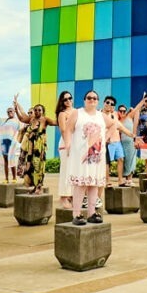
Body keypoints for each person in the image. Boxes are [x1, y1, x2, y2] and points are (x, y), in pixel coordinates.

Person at [67, 91, 107, 224]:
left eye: (95, 98)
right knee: (81, 183)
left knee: (93, 183)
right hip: (81, 155)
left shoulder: (101, 116)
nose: (92, 100)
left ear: (98, 101)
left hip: (97, 155)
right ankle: (76, 214)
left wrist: (106, 138)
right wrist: (68, 144)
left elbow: (114, 124)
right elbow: (68, 129)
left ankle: (92, 213)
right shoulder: (77, 113)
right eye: (89, 97)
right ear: (84, 99)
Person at [14, 100, 56, 194]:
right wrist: (16, 109)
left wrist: (64, 116)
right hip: (30, 149)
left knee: (39, 166)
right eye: (36, 110)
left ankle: (39, 186)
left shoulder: (45, 119)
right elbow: (21, 118)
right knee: (30, 166)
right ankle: (34, 185)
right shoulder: (31, 119)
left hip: (39, 148)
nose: (37, 112)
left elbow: (55, 122)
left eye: (39, 110)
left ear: (43, 111)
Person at [103, 95, 135, 187]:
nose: (109, 105)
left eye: (112, 104)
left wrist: (133, 136)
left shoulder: (115, 115)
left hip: (117, 141)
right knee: (107, 162)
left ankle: (120, 180)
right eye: (107, 102)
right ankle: (107, 181)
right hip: (106, 142)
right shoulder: (99, 114)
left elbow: (121, 126)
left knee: (121, 158)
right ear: (104, 103)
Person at [55, 91, 74, 206]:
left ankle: (71, 195)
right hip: (65, 144)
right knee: (66, 170)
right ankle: (63, 196)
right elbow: (63, 130)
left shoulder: (76, 112)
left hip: (75, 144)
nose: (68, 101)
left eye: (69, 98)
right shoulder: (62, 114)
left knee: (73, 171)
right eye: (65, 99)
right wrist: (68, 145)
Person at [117, 104, 137, 183]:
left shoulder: (129, 117)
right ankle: (125, 178)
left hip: (131, 143)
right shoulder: (117, 121)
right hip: (122, 143)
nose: (122, 112)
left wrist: (132, 110)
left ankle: (130, 178)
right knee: (124, 160)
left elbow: (136, 110)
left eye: (124, 111)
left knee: (131, 159)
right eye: (120, 111)